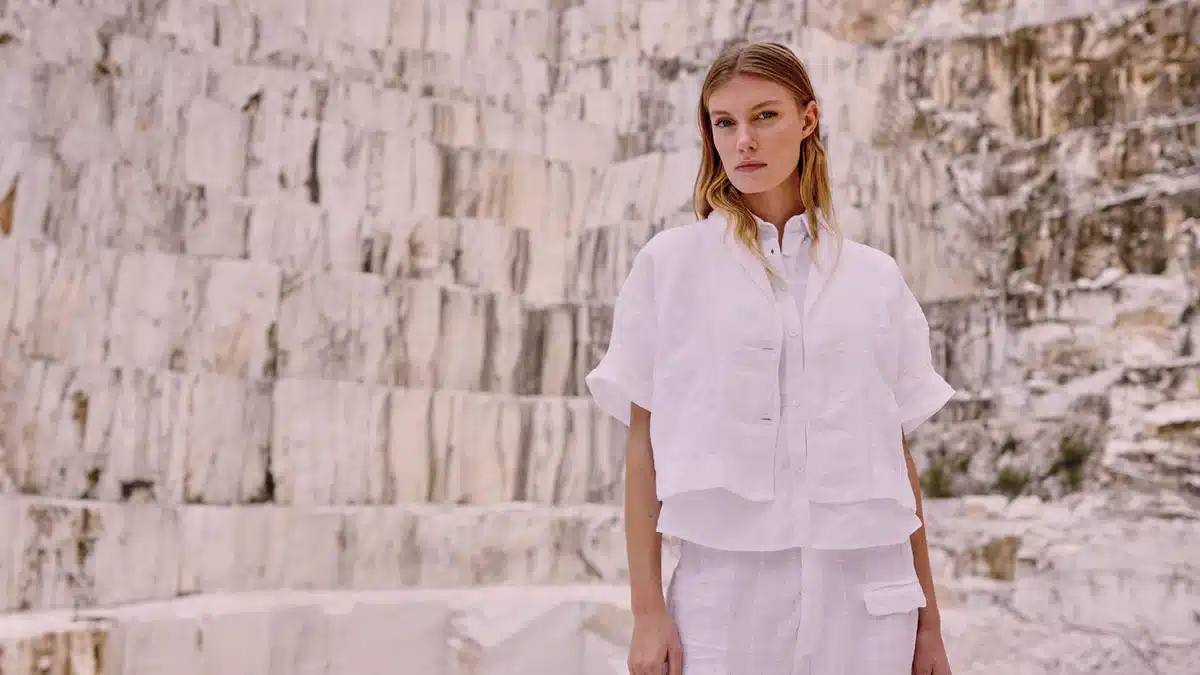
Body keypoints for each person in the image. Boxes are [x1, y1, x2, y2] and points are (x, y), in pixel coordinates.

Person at [584, 42, 956, 675]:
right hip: (725, 599)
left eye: (764, 116)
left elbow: (894, 455)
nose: (743, 141)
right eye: (724, 122)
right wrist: (647, 612)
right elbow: (643, 443)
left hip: (871, 597)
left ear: (807, 120)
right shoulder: (669, 266)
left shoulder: (874, 277)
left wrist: (929, 626)